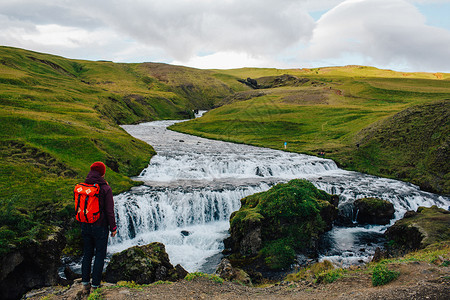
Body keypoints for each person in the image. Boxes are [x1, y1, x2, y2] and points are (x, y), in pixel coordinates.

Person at [80, 161, 117, 294]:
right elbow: (109, 211)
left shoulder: (84, 186)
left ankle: (85, 285)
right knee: (100, 255)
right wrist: (113, 228)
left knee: (87, 253)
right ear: (102, 172)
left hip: (85, 224)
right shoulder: (105, 188)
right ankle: (95, 285)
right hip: (100, 226)